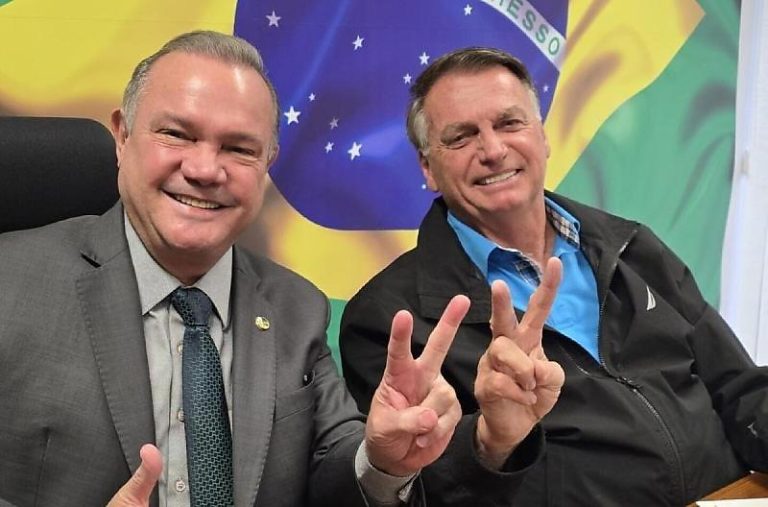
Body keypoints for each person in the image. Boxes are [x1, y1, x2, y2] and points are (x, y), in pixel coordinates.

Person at [0, 32, 533, 507]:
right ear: (122, 136)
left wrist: (383, 462)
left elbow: (331, 473)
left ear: (267, 164)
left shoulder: (297, 308)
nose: (204, 169)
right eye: (177, 135)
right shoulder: (10, 280)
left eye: (238, 148)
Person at [340, 46, 768, 505]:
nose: (493, 150)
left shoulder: (632, 246)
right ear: (427, 168)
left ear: (542, 136)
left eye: (509, 123)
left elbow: (736, 386)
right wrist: (491, 441)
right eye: (462, 137)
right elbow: (409, 491)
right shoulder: (387, 320)